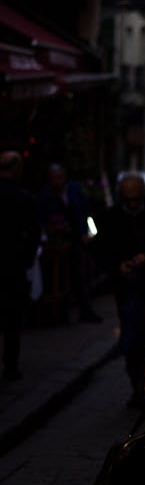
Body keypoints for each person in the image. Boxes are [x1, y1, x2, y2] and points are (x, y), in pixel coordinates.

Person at [92, 173, 145, 408]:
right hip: (125, 287)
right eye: (129, 200)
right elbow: (100, 250)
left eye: (137, 199)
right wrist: (118, 266)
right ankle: (138, 386)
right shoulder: (110, 217)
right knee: (131, 339)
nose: (133, 205)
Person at [37, 163, 101, 323]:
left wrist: (89, 233)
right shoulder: (45, 195)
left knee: (80, 275)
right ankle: (59, 314)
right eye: (53, 178)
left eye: (59, 177)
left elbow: (86, 212)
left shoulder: (74, 190)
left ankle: (85, 311)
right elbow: (43, 219)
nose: (57, 181)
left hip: (77, 237)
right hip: (57, 240)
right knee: (57, 278)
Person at [0, 151, 41, 380]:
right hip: (13, 268)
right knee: (12, 320)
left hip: (12, 264)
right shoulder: (23, 198)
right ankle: (10, 367)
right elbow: (34, 235)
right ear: (15, 168)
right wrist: (26, 261)